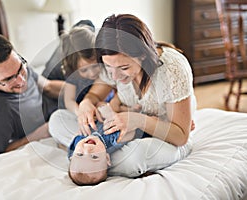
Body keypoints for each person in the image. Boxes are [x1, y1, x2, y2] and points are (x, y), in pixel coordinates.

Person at [49, 14, 195, 178]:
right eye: (109, 68)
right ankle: (96, 157)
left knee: (133, 158)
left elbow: (181, 136)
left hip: (166, 138)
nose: (115, 77)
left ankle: (91, 161)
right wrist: (86, 104)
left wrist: (137, 120)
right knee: (57, 119)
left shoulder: (171, 70)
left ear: (143, 55)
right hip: (121, 132)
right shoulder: (110, 62)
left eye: (124, 67)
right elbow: (95, 95)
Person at [0, 32, 64, 158]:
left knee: (83, 27)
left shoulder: (12, 64)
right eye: (9, 79)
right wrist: (37, 135)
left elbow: (47, 86)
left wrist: (83, 94)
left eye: (20, 68)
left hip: (51, 98)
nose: (21, 80)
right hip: (51, 117)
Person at [67, 103, 148, 185]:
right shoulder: (111, 139)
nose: (88, 149)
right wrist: (110, 115)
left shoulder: (77, 144)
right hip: (137, 122)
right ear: (107, 158)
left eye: (80, 155)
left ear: (72, 156)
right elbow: (130, 131)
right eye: (94, 156)